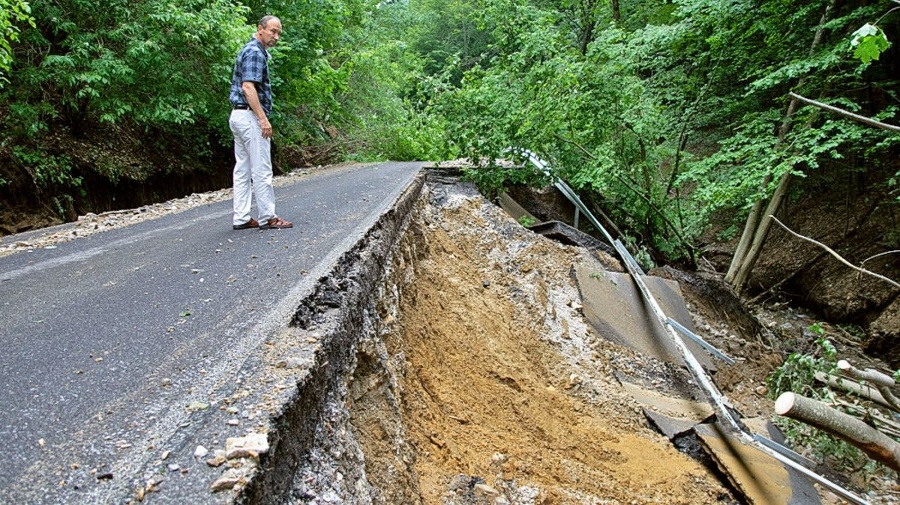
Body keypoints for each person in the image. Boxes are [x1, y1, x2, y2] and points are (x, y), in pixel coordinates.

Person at [229, 15, 293, 230]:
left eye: (278, 33)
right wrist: (262, 119)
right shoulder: (255, 52)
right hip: (249, 117)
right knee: (262, 169)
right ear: (260, 29)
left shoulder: (250, 50)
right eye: (272, 31)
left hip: (238, 116)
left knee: (243, 170)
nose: (276, 36)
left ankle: (241, 217)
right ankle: (268, 217)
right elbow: (248, 87)